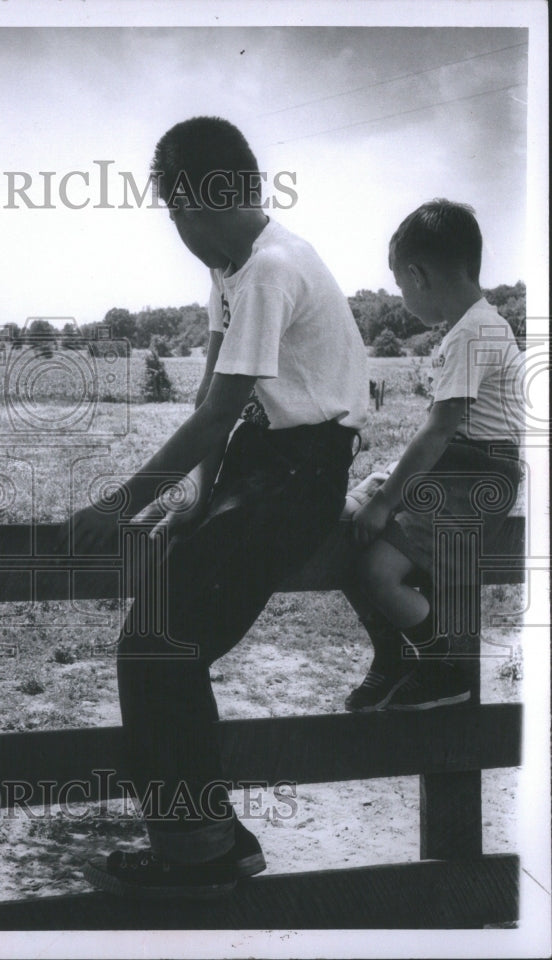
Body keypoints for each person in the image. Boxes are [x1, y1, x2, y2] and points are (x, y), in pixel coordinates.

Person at [68, 116, 368, 898]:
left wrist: (121, 505)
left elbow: (215, 411)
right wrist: (196, 499)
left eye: (173, 211)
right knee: (160, 642)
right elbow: (211, 396)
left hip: (298, 477)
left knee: (157, 643)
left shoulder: (270, 268)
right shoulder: (233, 272)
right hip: (259, 471)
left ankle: (204, 847)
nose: (176, 231)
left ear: (200, 201)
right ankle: (200, 840)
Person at [349, 200, 524, 710]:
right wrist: (386, 485)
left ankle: (441, 666)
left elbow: (440, 429)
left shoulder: (471, 333)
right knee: (353, 521)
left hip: (473, 474)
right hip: (461, 467)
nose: (402, 297)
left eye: (401, 285)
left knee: (376, 569)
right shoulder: (481, 324)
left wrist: (385, 502)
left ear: (417, 274)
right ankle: (397, 654)